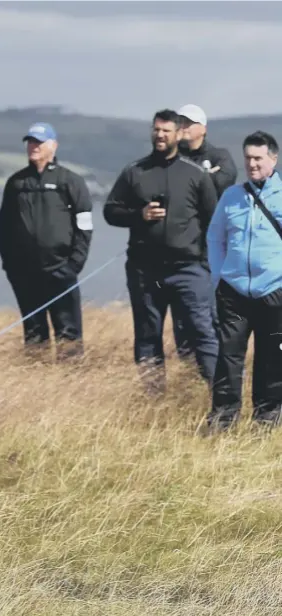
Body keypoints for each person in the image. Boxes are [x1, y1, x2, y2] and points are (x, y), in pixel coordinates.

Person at [103, 109, 219, 392]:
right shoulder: (134, 171)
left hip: (188, 269)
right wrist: (138, 215)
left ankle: (218, 395)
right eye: (156, 130)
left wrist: (205, 263)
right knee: (147, 336)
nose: (160, 135)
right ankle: (153, 399)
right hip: (145, 270)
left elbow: (213, 223)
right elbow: (110, 211)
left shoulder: (196, 175)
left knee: (202, 332)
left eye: (166, 130)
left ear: (179, 134)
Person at [0, 122, 93, 358]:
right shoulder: (16, 183)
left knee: (68, 332)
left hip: (61, 269)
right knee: (34, 333)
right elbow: (4, 227)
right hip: (25, 273)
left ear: (53, 146)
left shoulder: (71, 181)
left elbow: (85, 225)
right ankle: (36, 383)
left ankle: (69, 382)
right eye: (30, 142)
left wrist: (74, 264)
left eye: (39, 142)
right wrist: (10, 265)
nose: (33, 147)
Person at [207, 131, 282, 429]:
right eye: (248, 158)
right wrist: (218, 276)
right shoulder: (232, 196)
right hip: (233, 291)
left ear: (273, 159)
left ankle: (266, 420)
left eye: (258, 158)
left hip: (274, 291)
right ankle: (222, 420)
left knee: (271, 360)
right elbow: (215, 238)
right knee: (228, 357)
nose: (252, 164)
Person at [171, 103, 238, 359]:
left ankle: (225, 370)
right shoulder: (173, 159)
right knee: (182, 318)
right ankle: (189, 372)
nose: (183, 128)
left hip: (211, 252)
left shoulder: (220, 155)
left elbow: (224, 182)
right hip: (181, 250)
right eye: (180, 123)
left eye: (188, 123)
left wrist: (192, 182)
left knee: (212, 313)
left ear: (203, 128)